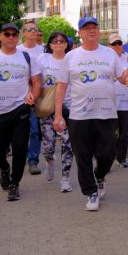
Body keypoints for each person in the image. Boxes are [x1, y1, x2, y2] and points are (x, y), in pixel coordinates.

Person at [52, 17, 128, 212]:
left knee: (108, 153)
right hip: (79, 116)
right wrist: (58, 115)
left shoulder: (110, 53)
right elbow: (61, 87)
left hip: (107, 114)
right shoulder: (71, 57)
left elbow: (122, 78)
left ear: (99, 31)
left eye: (94, 27)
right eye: (86, 28)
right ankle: (91, 192)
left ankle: (100, 176)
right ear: (80, 33)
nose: (91, 31)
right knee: (83, 156)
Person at [0, 22, 41, 202]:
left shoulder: (27, 58)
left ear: (18, 36)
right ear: (0, 36)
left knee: (20, 148)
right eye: (7, 34)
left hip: (21, 109)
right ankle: (4, 168)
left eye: (14, 34)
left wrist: (33, 96)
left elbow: (37, 82)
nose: (11, 37)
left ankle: (14, 183)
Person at [37, 32, 75, 190]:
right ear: (50, 44)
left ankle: (65, 178)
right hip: (49, 106)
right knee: (48, 145)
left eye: (62, 40)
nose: (58, 43)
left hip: (69, 106)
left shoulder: (72, 59)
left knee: (68, 144)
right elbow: (35, 80)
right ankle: (49, 160)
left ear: (66, 44)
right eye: (55, 40)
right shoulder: (43, 59)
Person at [19, 23, 46, 174]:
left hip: (38, 97)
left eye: (35, 29)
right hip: (20, 97)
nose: (33, 32)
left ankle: (33, 160)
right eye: (29, 29)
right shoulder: (17, 50)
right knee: (20, 130)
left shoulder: (43, 51)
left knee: (35, 130)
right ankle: (20, 157)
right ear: (23, 33)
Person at [108, 33, 128, 169]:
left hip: (125, 102)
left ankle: (121, 157)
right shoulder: (105, 58)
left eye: (119, 43)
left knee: (124, 133)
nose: (117, 46)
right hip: (109, 103)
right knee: (110, 134)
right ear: (109, 46)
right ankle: (108, 159)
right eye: (114, 44)